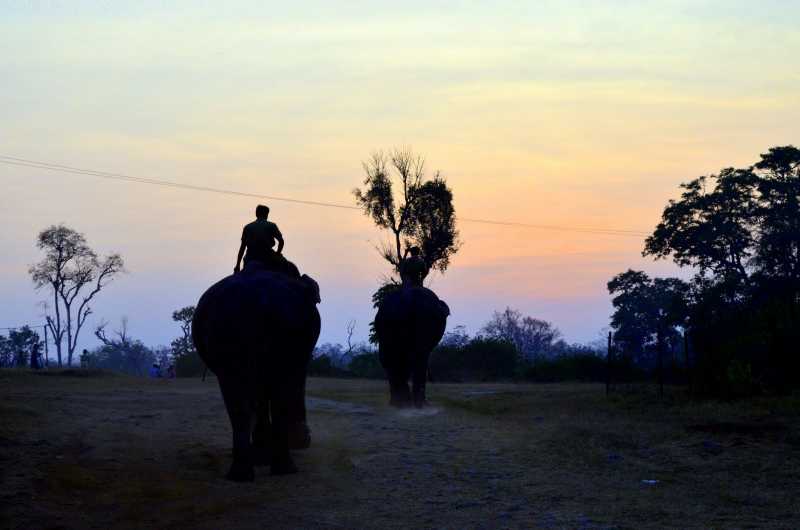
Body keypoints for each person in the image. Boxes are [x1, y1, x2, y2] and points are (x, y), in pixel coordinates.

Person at [234, 204, 284, 273]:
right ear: (267, 214)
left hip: (250, 258)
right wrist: (278, 254)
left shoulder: (248, 227)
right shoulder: (272, 225)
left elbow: (242, 248)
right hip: (267, 257)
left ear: (256, 214)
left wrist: (237, 265)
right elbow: (281, 242)